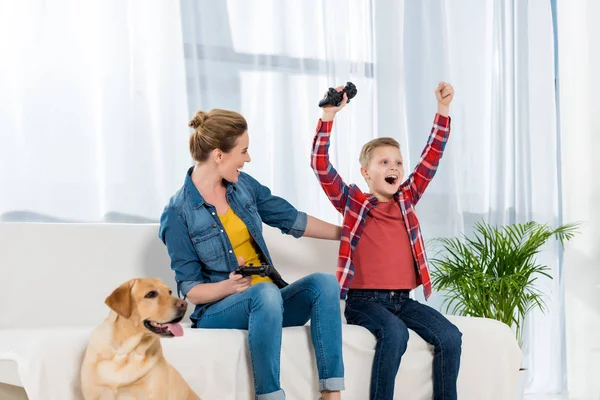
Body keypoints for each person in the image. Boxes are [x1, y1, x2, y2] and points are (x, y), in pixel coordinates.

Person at [159, 109, 344, 400]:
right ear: (219, 155)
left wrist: (348, 234)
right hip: (220, 310)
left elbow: (291, 218)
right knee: (265, 295)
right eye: (243, 151)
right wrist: (228, 287)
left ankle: (331, 394)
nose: (248, 158)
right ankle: (269, 396)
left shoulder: (243, 186)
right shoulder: (177, 214)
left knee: (324, 284)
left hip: (268, 304)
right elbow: (191, 291)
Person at [310, 83, 462, 400]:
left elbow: (431, 157)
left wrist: (443, 110)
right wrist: (328, 116)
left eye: (397, 163)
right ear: (366, 172)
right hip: (365, 301)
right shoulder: (353, 202)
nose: (393, 167)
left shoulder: (406, 199)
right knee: (394, 334)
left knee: (450, 336)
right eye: (383, 163)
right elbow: (320, 165)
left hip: (402, 300)